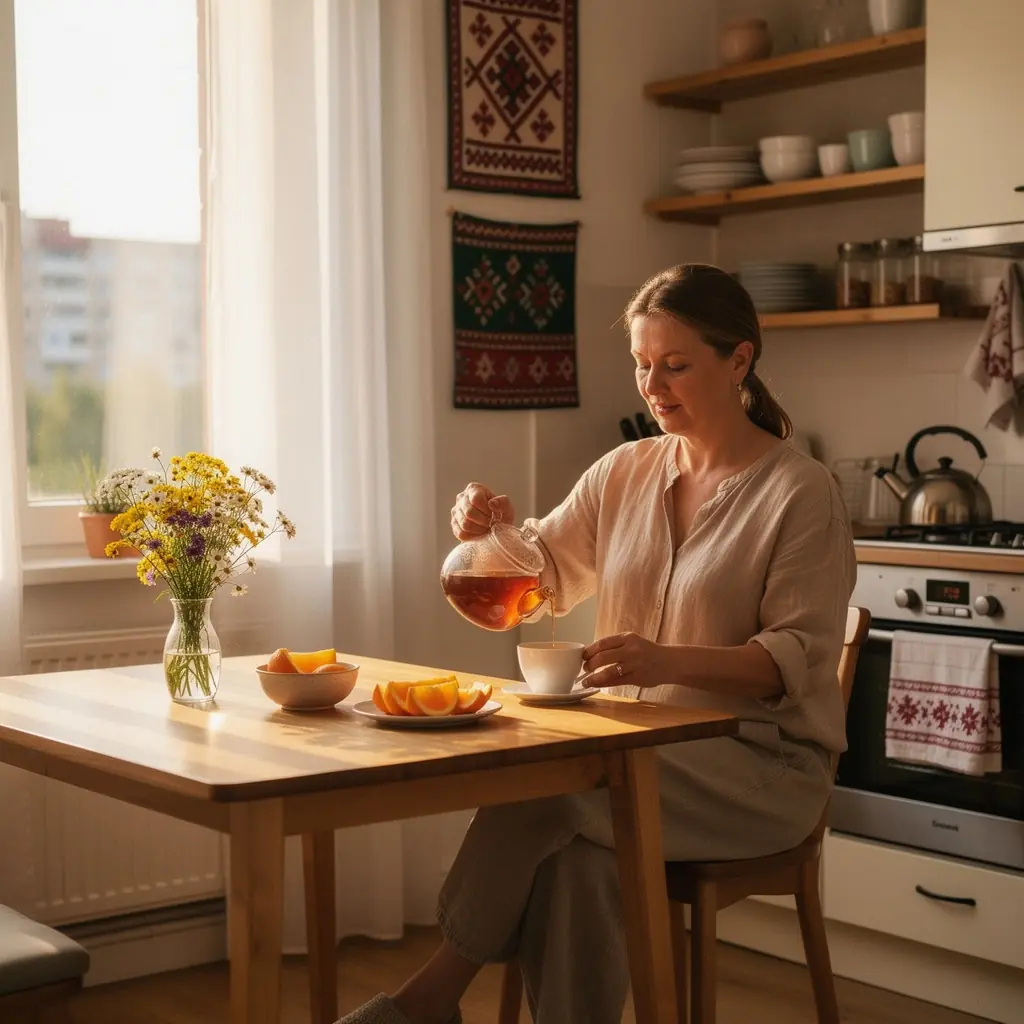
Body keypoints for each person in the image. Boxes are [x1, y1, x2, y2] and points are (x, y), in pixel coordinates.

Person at [338, 264, 856, 1024]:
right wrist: (491, 535)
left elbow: (793, 660)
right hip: (638, 755)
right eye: (643, 364)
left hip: (758, 767)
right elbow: (538, 578)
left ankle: (428, 1000)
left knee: (555, 779)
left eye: (676, 365)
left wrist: (664, 660)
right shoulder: (624, 471)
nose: (653, 385)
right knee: (582, 862)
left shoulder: (799, 492)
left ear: (739, 360)